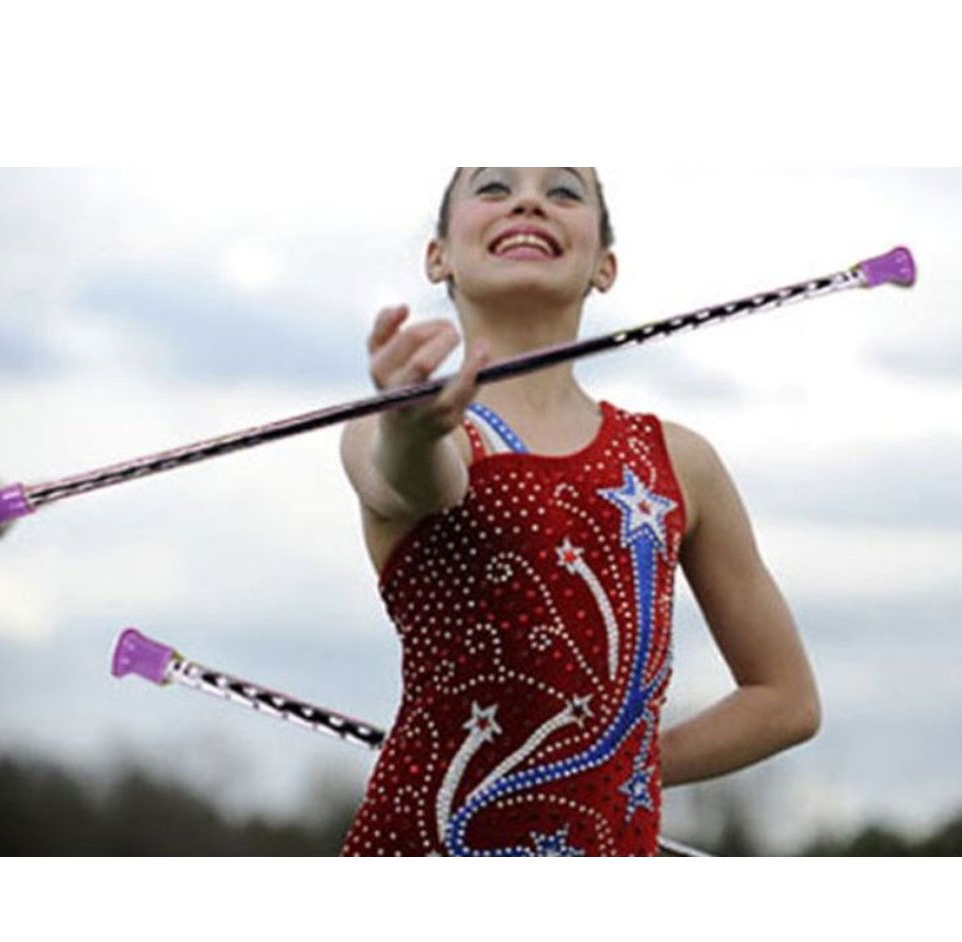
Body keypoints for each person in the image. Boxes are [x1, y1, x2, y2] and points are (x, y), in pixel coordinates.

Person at [339, 168, 820, 856]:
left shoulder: (681, 462)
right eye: (494, 187)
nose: (529, 200)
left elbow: (786, 700)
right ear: (438, 254)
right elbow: (412, 482)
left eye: (564, 191)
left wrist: (614, 761)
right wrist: (411, 426)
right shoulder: (396, 429)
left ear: (605, 265)